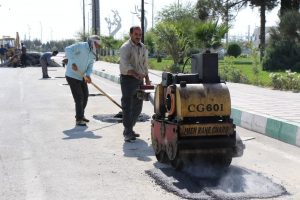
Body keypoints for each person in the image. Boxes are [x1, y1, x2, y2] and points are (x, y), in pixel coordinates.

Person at [119, 26, 151, 142]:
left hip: (139, 80)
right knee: (127, 106)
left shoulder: (143, 47)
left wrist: (146, 78)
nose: (138, 36)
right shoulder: (125, 47)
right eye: (136, 34)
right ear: (131, 34)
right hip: (128, 80)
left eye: (140, 34)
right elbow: (125, 65)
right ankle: (128, 132)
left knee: (138, 107)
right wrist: (136, 74)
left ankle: (129, 129)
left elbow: (144, 64)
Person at [65, 35, 101, 126]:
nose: (98, 46)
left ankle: (81, 114)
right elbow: (67, 49)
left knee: (85, 96)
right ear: (92, 42)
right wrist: (72, 62)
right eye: (96, 44)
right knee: (79, 97)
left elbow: (90, 65)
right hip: (72, 75)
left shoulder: (93, 52)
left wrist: (88, 75)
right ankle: (79, 119)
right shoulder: (81, 46)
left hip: (82, 76)